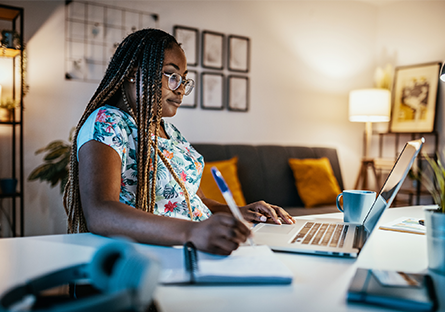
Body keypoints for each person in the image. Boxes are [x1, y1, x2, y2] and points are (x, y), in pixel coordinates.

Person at [63, 28, 294, 255]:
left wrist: (239, 212)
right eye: (172, 76)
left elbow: (195, 199)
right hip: (156, 254)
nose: (181, 89)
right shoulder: (107, 121)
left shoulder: (170, 131)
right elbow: (100, 212)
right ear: (134, 73)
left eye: (184, 80)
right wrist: (191, 232)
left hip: (197, 248)